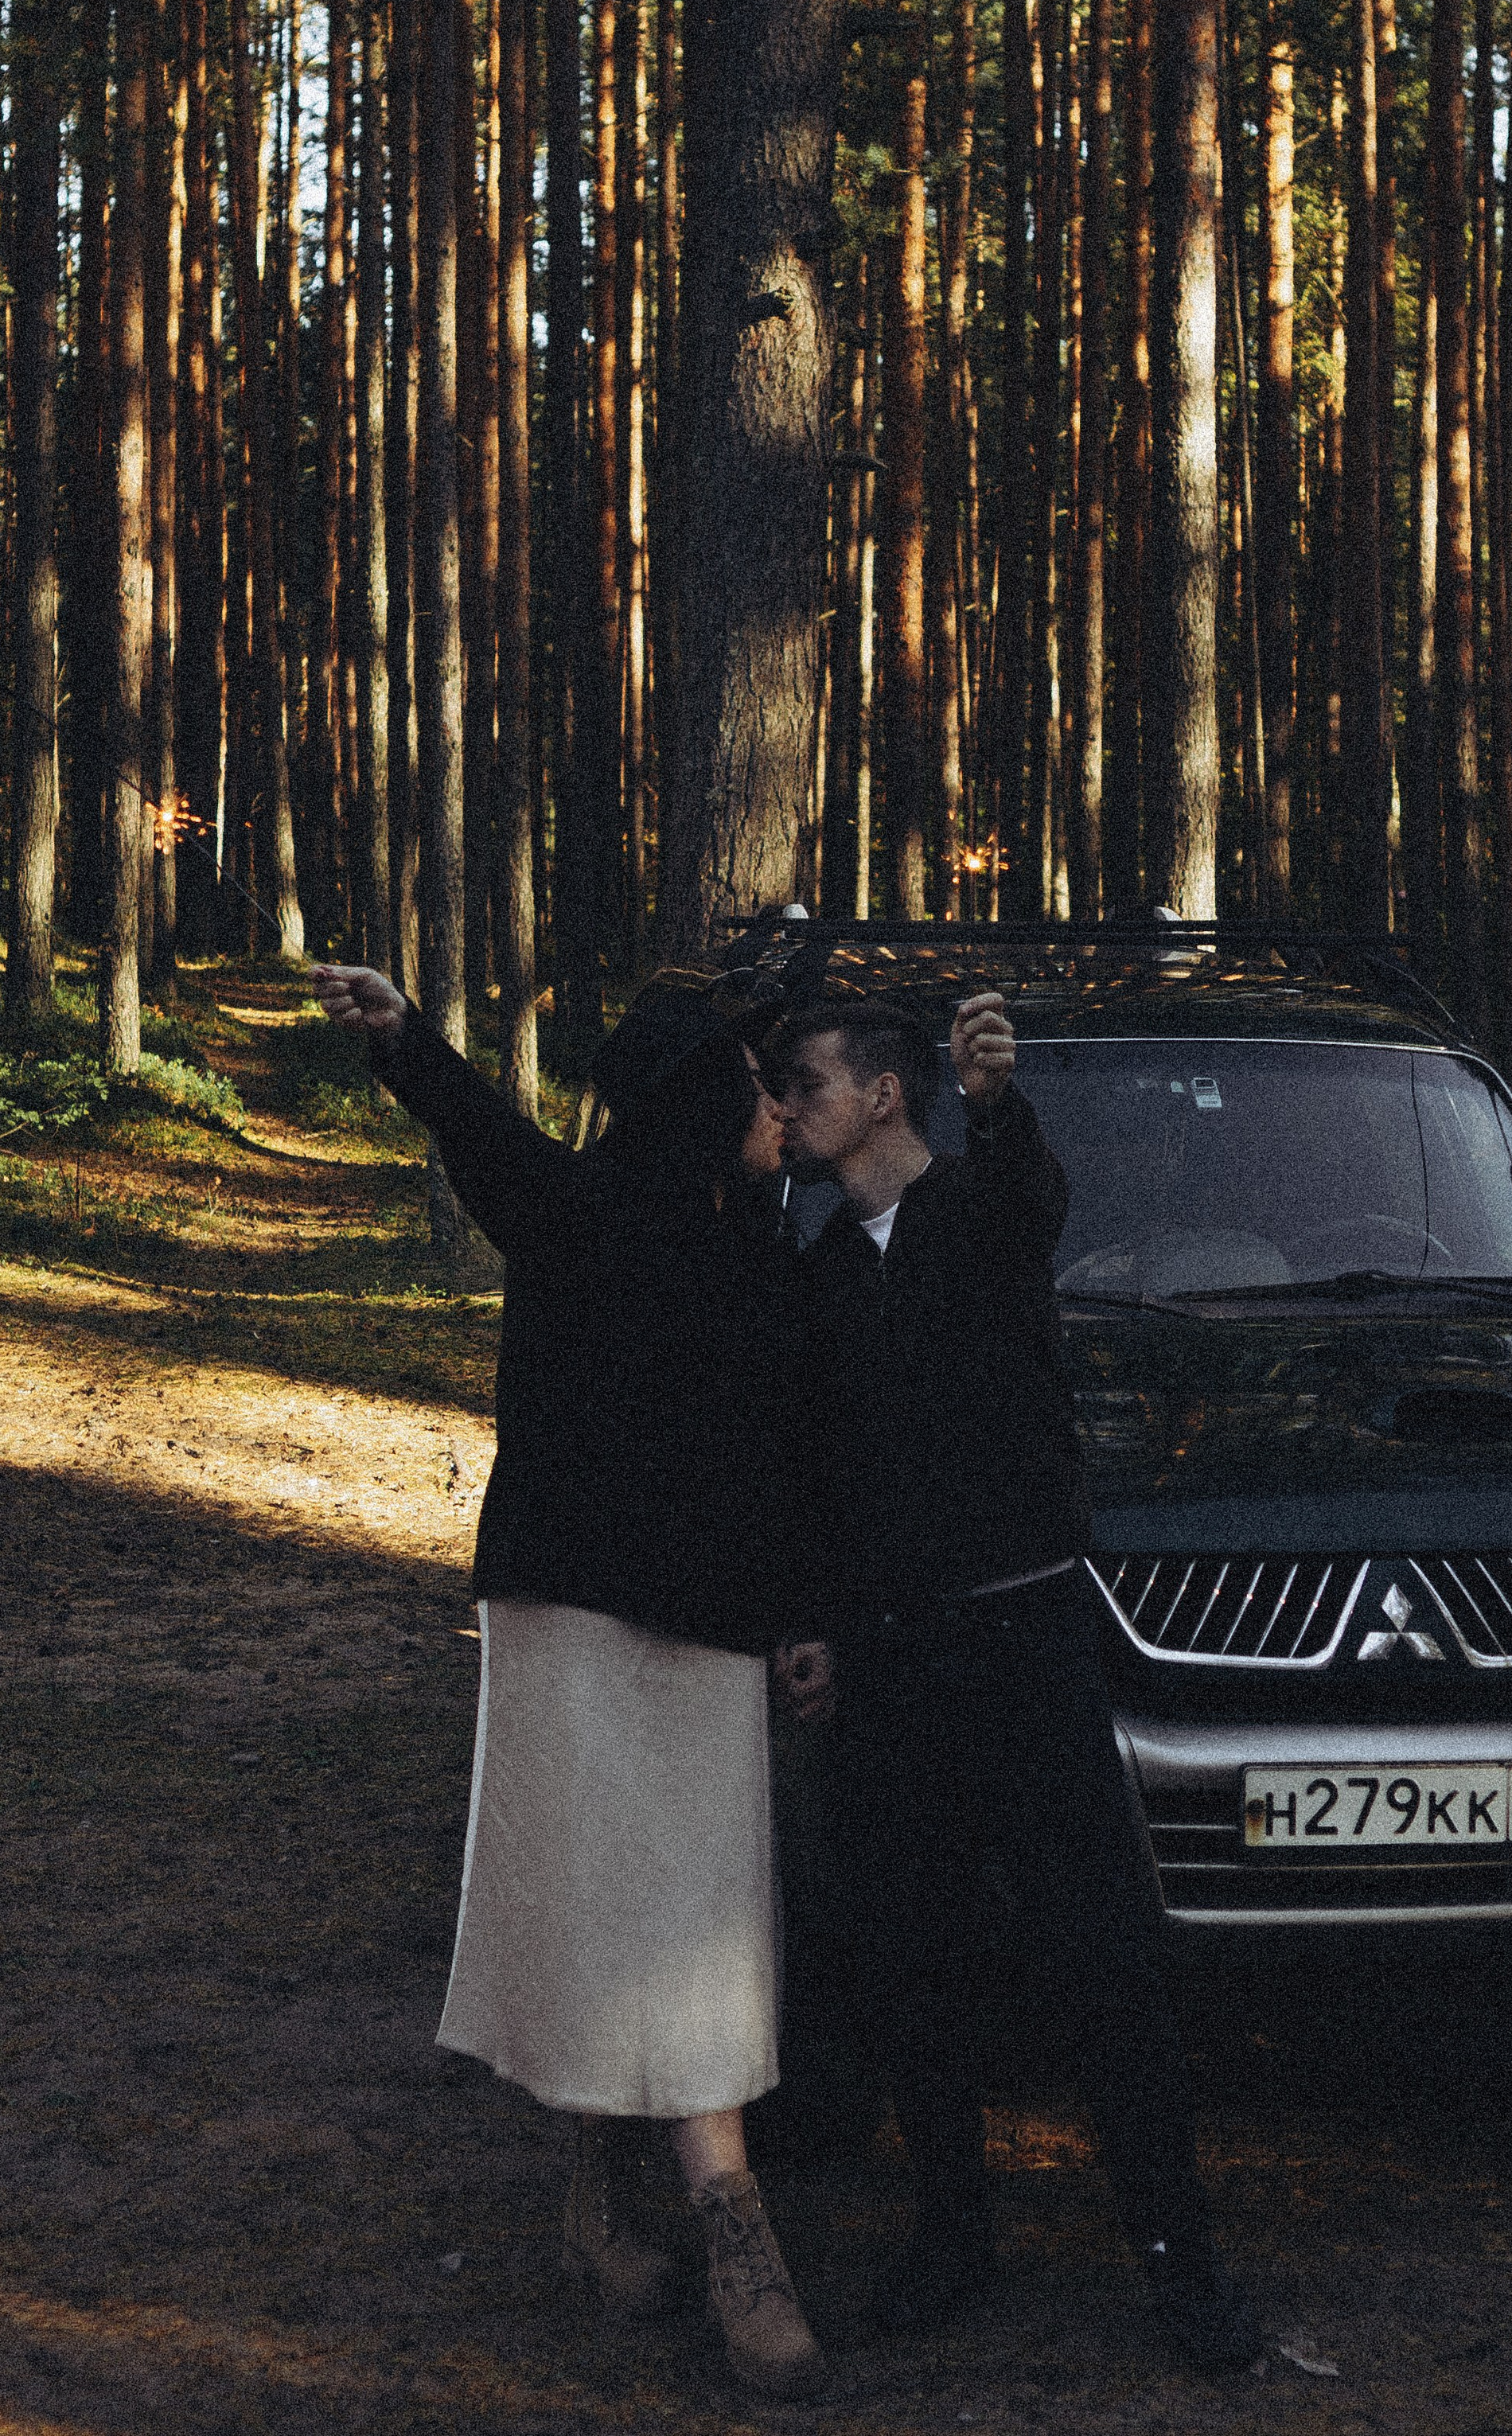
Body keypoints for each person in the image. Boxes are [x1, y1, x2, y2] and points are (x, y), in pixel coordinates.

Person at [312, 958, 827, 2403]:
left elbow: (790, 1472)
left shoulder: (761, 1259)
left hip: (705, 1636)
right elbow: (486, 1136)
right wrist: (409, 1042)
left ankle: (666, 2217)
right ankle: (705, 2226)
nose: (777, 1112)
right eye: (752, 1090)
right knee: (607, 1904)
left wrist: (797, 1618)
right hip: (571, 1628)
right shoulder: (582, 1215)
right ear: (695, 1107)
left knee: (696, 1919)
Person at [769, 988, 1263, 2375]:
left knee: (1101, 1960)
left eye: (804, 1083)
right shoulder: (811, 1271)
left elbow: (1029, 1196)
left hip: (1026, 1646)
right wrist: (812, 1626)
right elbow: (812, 1476)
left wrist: (998, 1095)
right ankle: (952, 2235)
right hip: (887, 1665)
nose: (787, 1108)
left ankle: (1183, 2262)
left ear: (882, 1093)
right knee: (911, 1962)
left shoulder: (979, 1219)